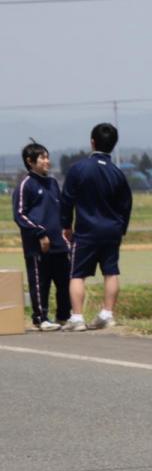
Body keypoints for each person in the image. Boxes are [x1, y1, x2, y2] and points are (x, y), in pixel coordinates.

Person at [59, 123, 132, 332]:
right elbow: (126, 204)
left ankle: (77, 317)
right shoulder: (117, 173)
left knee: (77, 274)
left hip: (86, 230)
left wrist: (66, 224)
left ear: (92, 142)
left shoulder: (78, 169)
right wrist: (121, 228)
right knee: (111, 271)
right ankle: (107, 314)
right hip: (112, 230)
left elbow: (67, 200)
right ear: (114, 145)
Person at [11, 140, 70, 331]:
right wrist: (40, 233)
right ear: (30, 161)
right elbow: (19, 214)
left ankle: (64, 316)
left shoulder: (52, 183)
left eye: (47, 157)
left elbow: (60, 210)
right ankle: (40, 317)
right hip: (37, 244)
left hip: (59, 242)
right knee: (40, 283)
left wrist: (66, 231)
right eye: (42, 158)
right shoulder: (25, 185)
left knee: (64, 281)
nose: (47, 161)